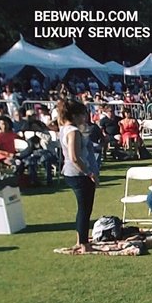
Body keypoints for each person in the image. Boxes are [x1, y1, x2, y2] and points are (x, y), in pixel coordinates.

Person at [56, 98, 99, 254]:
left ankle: (80, 240)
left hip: (70, 172)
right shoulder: (73, 131)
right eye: (82, 114)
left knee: (82, 209)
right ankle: (84, 244)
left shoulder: (63, 129)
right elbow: (74, 157)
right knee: (85, 210)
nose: (84, 117)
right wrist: (89, 173)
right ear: (74, 115)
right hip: (79, 174)